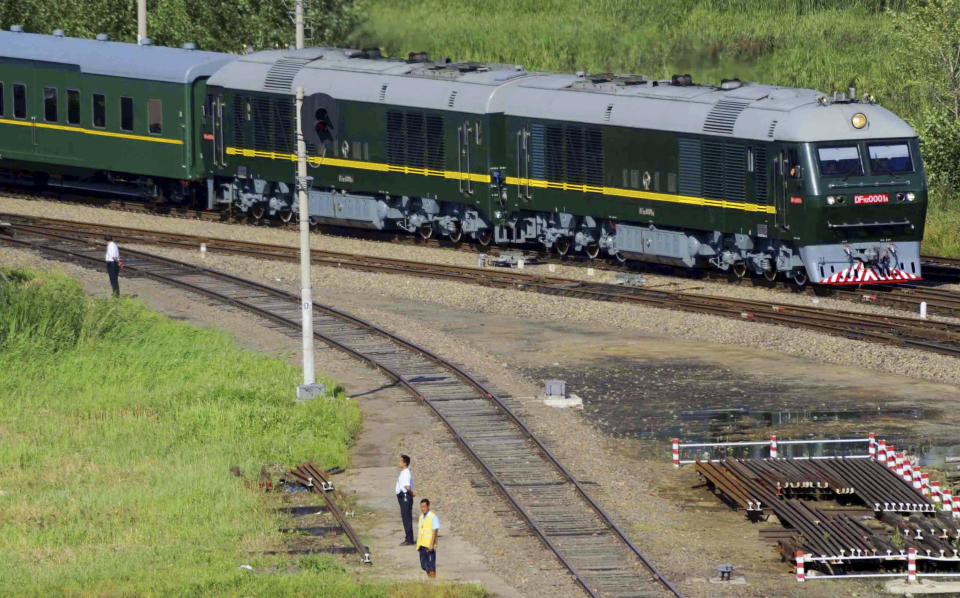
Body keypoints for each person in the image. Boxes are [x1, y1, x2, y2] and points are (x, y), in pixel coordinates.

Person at [416, 498, 439, 578]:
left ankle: (433, 581)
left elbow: (435, 531)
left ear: (428, 506)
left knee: (431, 565)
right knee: (424, 566)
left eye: (424, 506)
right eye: (421, 507)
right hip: (422, 545)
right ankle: (430, 578)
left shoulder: (433, 517)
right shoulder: (421, 517)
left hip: (429, 545)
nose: (423, 508)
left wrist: (432, 544)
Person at [396, 454, 415, 545]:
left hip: (405, 497)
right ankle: (408, 537)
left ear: (405, 463)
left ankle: (409, 539)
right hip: (403, 496)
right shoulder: (403, 472)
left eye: (400, 461)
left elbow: (407, 487)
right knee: (405, 517)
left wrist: (411, 493)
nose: (399, 463)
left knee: (406, 518)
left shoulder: (406, 473)